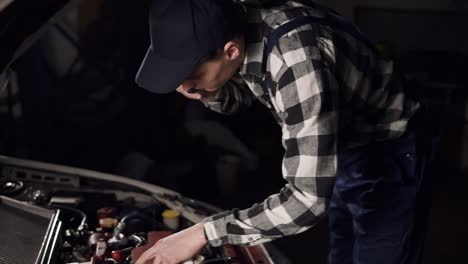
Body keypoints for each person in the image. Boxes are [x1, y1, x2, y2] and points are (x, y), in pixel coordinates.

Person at [134, 1, 427, 263]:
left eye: (192, 75)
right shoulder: (235, 19)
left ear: (230, 51)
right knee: (343, 249)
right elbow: (240, 94)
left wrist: (203, 233)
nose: (183, 87)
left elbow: (306, 202)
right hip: (343, 143)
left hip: (389, 145)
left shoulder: (297, 63)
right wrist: (203, 90)